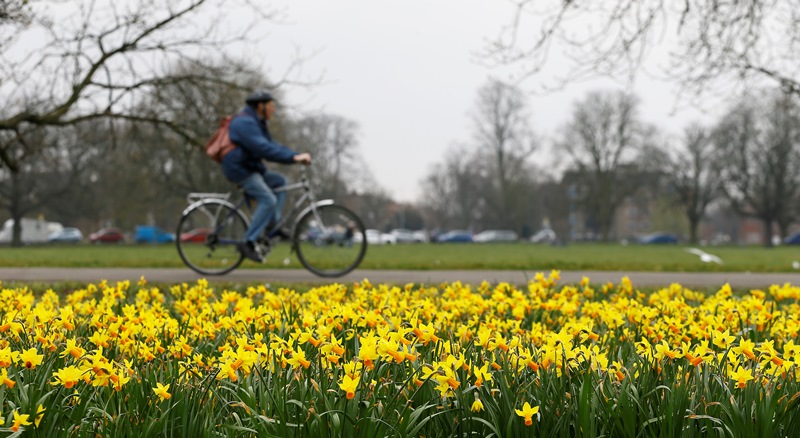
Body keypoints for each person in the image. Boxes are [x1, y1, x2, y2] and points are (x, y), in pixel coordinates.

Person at [221, 90, 312, 262]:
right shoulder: (244, 123)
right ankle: (248, 241)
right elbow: (264, 149)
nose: (273, 110)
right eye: (271, 106)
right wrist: (293, 158)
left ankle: (273, 224)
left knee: (279, 181)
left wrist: (295, 155)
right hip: (239, 169)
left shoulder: (257, 123)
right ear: (260, 106)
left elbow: (272, 145)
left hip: (250, 167)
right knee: (268, 200)